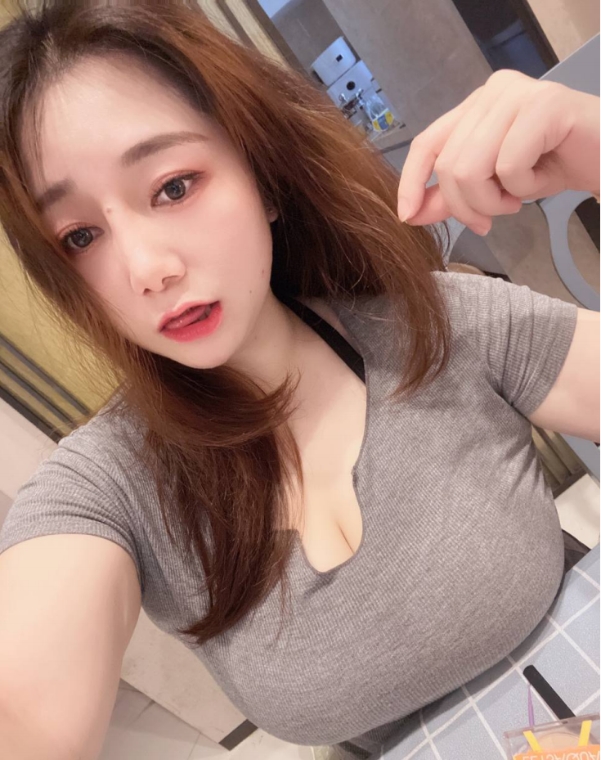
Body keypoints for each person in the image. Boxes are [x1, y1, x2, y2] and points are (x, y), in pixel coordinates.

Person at [0, 1, 598, 758]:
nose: (147, 270)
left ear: (262, 179)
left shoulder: (435, 327)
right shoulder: (108, 486)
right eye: (81, 236)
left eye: (174, 186)